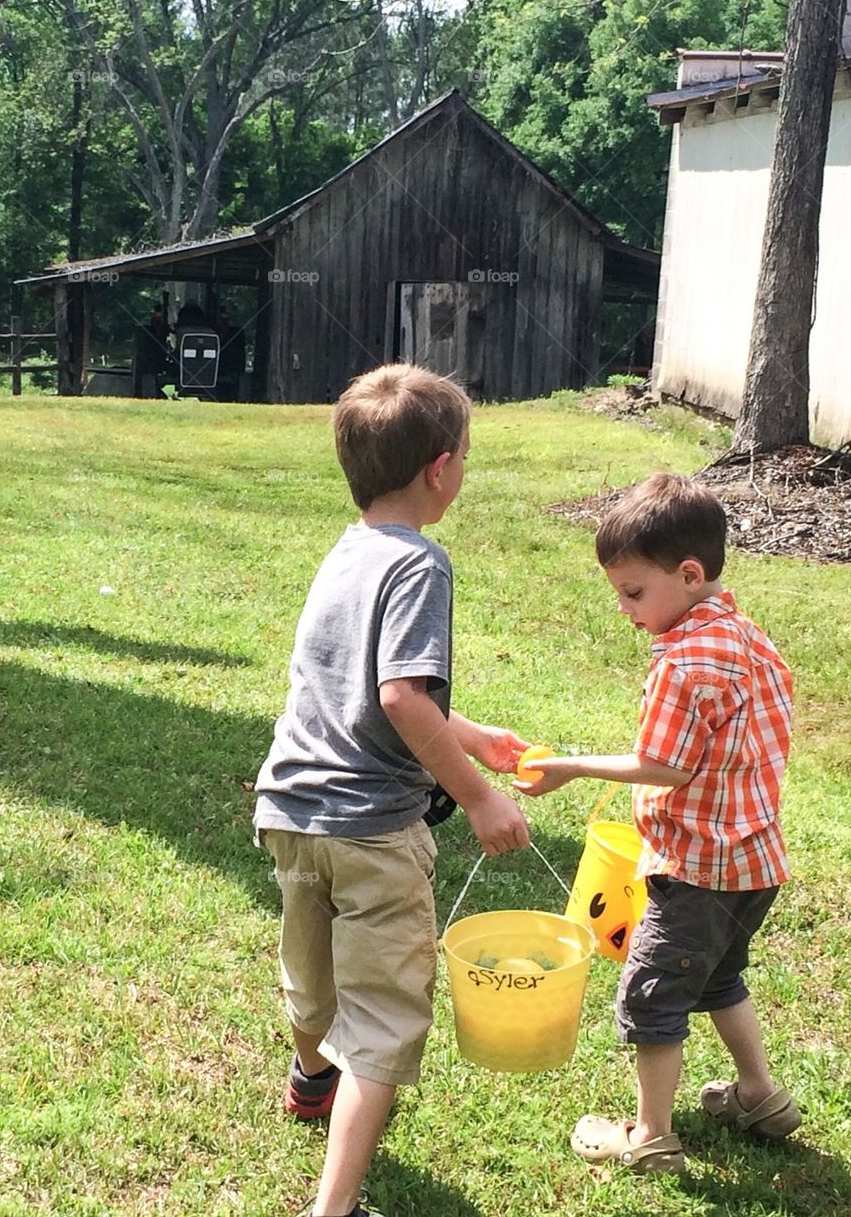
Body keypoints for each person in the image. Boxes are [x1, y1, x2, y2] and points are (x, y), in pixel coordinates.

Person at [253, 363, 530, 1217]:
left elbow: (354, 684)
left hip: (293, 815)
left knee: (313, 974)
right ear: (440, 469)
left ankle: (308, 1078)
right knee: (379, 1020)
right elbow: (402, 694)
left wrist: (469, 735)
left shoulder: (344, 553)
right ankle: (331, 1208)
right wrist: (481, 795)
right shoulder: (421, 563)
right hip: (373, 834)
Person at [516, 472, 799, 1175]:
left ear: (690, 573)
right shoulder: (746, 636)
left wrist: (573, 767)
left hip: (695, 872)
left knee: (651, 996)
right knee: (718, 976)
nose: (624, 608)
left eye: (633, 591)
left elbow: (663, 765)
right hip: (754, 864)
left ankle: (649, 1136)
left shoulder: (684, 661)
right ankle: (761, 1094)